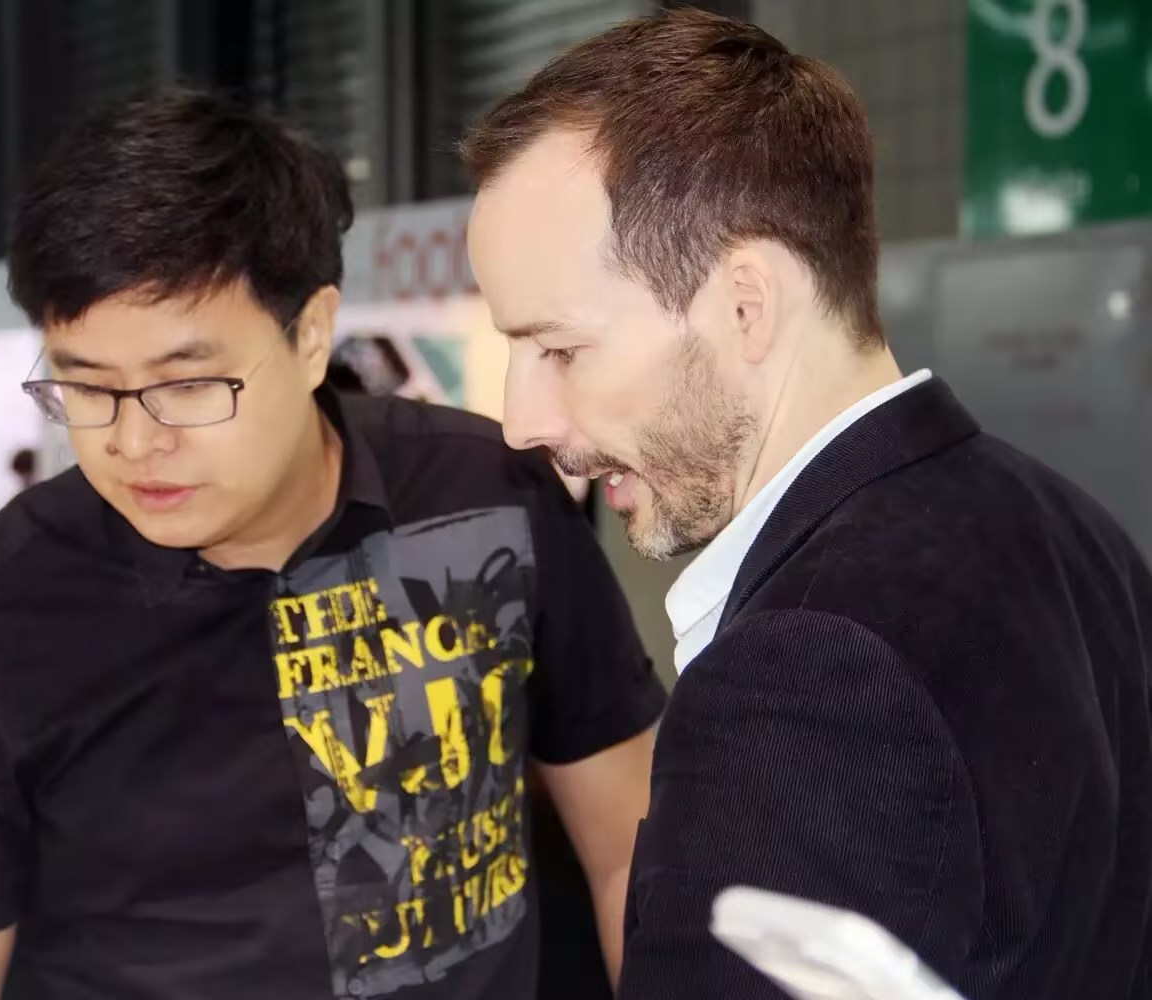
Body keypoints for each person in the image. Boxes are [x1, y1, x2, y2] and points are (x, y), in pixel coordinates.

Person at [0, 90, 664, 1000]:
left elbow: (629, 849)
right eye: (86, 388)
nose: (135, 442)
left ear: (312, 334)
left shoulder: (484, 492)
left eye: (189, 385)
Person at [462, 9, 1152, 999]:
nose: (522, 423)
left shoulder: (802, 671)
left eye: (560, 349)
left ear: (747, 305)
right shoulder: (1076, 531)